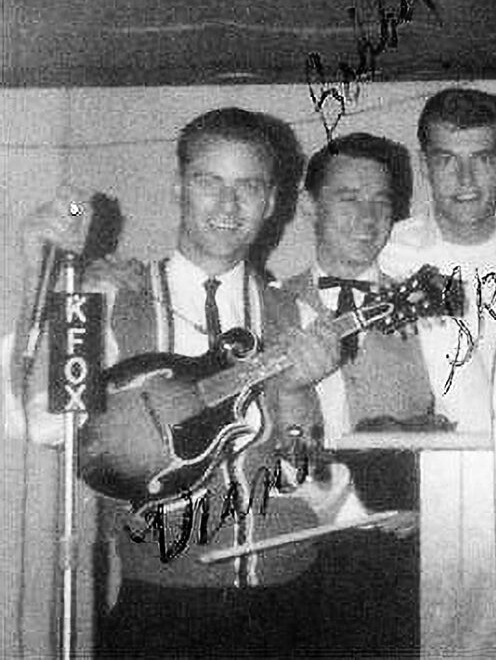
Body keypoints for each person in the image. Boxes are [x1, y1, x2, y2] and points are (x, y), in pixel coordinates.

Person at [13, 108, 341, 658]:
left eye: (248, 187)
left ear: (271, 203)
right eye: (209, 182)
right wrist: (36, 280)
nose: (228, 206)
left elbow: (322, 492)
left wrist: (298, 397)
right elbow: (45, 424)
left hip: (288, 607)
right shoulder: (107, 299)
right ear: (179, 188)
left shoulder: (303, 317)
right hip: (159, 610)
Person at [281, 132, 430, 656]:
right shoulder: (262, 306)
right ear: (308, 205)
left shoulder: (432, 311)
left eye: (381, 202)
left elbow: (470, 428)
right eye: (349, 199)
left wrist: (429, 502)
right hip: (289, 552)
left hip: (397, 549)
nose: (368, 219)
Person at [379, 87, 496, 431]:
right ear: (425, 165)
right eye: (447, 160)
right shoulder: (390, 253)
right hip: (428, 461)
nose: (464, 180)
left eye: (481, 159)